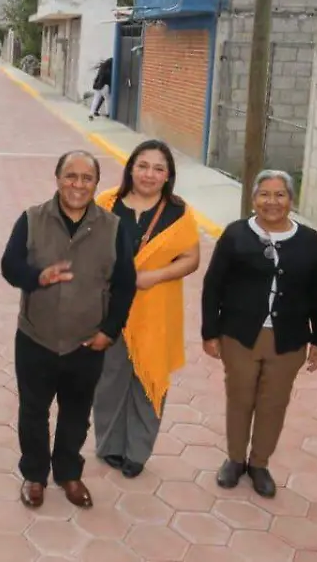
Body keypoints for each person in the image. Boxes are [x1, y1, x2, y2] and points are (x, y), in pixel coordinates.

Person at [2, 150, 137, 509]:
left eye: (86, 178)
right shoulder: (31, 220)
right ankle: (34, 474)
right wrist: (35, 277)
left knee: (77, 411)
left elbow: (125, 284)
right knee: (33, 410)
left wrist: (110, 330)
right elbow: (10, 266)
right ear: (57, 178)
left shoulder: (113, 227)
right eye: (70, 176)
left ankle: (68, 473)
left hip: (87, 342)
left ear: (96, 183)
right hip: (36, 337)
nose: (78, 184)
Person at [200, 170, 317, 498]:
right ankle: (235, 459)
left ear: (291, 200)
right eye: (265, 194)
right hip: (240, 335)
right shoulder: (236, 234)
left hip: (288, 338)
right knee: (240, 397)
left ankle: (259, 463)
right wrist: (210, 332)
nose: (272, 202)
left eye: (280, 194)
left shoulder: (310, 240)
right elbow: (213, 285)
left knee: (273, 403)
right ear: (254, 199)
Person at [92, 140, 200, 479]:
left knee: (147, 377)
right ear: (130, 168)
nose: (149, 174)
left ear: (168, 175)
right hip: (110, 310)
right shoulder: (106, 203)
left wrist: (154, 276)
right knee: (108, 380)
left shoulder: (179, 212)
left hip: (155, 311)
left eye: (158, 168)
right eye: (142, 165)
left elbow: (191, 259)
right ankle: (109, 445)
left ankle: (137, 450)